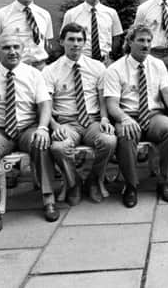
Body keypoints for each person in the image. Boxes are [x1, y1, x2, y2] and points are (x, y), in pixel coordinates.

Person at [0, 34, 58, 233]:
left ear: (22, 50)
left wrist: (42, 128)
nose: (12, 51)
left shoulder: (34, 75)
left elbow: (45, 105)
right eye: (6, 47)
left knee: (41, 142)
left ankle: (48, 199)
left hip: (27, 127)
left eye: (16, 46)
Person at [104, 24, 168, 208]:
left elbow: (167, 93)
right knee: (125, 135)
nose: (146, 45)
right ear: (130, 42)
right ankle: (131, 185)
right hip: (128, 115)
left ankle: (164, 181)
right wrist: (125, 118)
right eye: (141, 40)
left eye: (149, 41)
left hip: (153, 115)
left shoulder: (157, 65)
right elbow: (111, 104)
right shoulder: (116, 69)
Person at [42, 23, 117, 205]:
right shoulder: (50, 70)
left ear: (84, 43)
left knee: (109, 140)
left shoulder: (97, 67)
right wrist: (54, 125)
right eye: (71, 39)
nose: (75, 44)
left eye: (79, 40)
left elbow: (102, 98)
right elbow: (45, 104)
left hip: (92, 120)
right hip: (66, 122)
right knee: (59, 147)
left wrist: (105, 118)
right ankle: (73, 182)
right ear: (62, 42)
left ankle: (93, 180)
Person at [61, 0, 123, 64]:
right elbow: (64, 39)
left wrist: (111, 56)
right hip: (81, 62)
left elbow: (116, 38)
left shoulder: (111, 13)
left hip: (105, 63)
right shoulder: (71, 14)